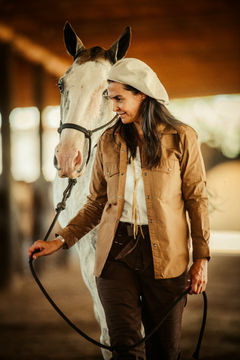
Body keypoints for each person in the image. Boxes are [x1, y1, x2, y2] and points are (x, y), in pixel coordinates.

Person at [28, 58, 210, 360]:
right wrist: (59, 241)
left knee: (165, 351)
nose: (113, 107)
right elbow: (96, 203)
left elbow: (196, 199)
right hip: (115, 256)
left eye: (118, 98)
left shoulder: (182, 137)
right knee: (123, 348)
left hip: (166, 258)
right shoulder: (108, 142)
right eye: (110, 99)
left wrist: (201, 257)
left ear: (142, 94)